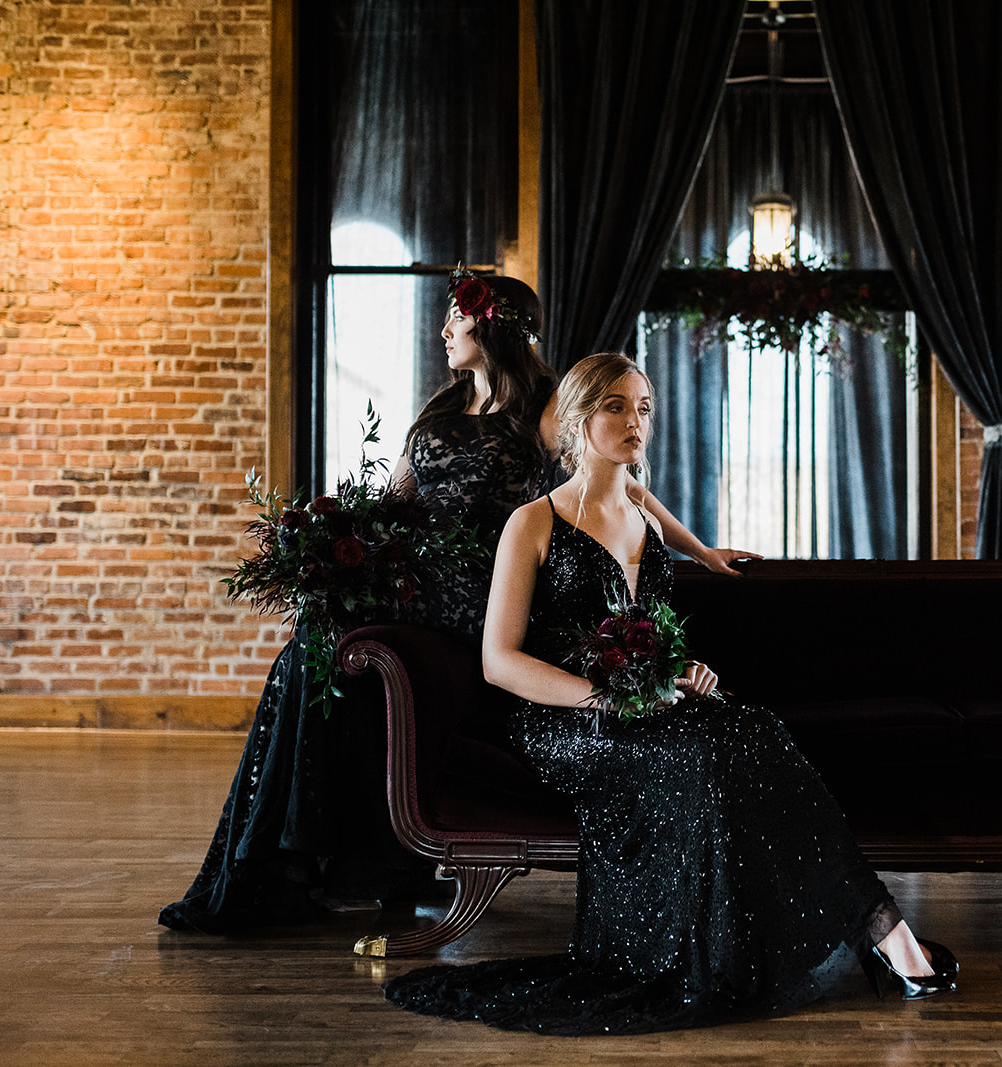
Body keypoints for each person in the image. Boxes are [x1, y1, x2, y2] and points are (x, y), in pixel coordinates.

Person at [381, 352, 957, 1036]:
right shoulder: (532, 522)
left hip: (644, 708)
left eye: (645, 407)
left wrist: (679, 669)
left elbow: (648, 624)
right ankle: (883, 933)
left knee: (753, 726)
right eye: (617, 407)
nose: (636, 421)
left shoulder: (643, 515)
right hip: (563, 720)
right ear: (575, 417)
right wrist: (605, 697)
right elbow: (500, 663)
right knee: (712, 749)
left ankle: (875, 929)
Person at [160, 276, 756, 935]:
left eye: (456, 320)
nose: (445, 332)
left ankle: (335, 864)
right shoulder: (441, 410)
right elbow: (391, 502)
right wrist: (334, 548)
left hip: (480, 593)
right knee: (311, 649)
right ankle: (284, 864)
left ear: (491, 326)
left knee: (327, 649)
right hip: (415, 586)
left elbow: (615, 483)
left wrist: (699, 550)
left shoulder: (548, 403)